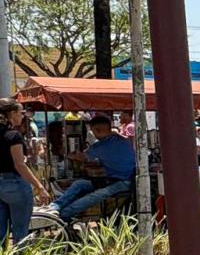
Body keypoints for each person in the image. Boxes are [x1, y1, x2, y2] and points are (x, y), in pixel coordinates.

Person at [43, 114, 135, 222]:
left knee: (95, 195)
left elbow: (80, 157)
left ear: (97, 130)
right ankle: (55, 206)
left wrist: (66, 153)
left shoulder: (100, 146)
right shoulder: (122, 140)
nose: (93, 135)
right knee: (80, 184)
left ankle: (63, 214)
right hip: (113, 179)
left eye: (93, 132)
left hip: (125, 182)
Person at [0, 98, 49, 243]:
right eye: (21, 113)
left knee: (1, 232)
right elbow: (19, 165)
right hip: (14, 184)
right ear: (11, 114)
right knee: (20, 231)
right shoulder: (13, 135)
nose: (23, 116)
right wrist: (39, 187)